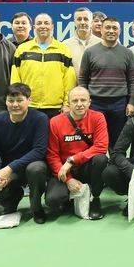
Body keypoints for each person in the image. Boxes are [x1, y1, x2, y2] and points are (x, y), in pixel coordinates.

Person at [0, 83, 50, 223]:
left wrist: (8, 169)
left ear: (29, 100)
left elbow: (39, 151)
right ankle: (12, 200)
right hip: (10, 171)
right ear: (5, 101)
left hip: (33, 166)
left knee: (36, 168)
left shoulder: (40, 118)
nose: (15, 105)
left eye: (20, 100)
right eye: (11, 100)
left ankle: (36, 207)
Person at [45, 87, 109, 220]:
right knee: (53, 200)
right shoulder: (55, 122)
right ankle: (71, 198)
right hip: (64, 170)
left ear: (89, 102)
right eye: (75, 101)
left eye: (83, 100)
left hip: (86, 166)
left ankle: (94, 198)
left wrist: (72, 160)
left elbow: (101, 146)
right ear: (68, 103)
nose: (79, 104)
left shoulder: (98, 117)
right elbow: (52, 155)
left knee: (101, 159)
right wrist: (68, 179)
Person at [79, 16, 134, 148]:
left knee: (117, 142)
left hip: (119, 104)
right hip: (95, 103)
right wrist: (85, 101)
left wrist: (131, 102)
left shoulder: (127, 53)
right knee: (94, 141)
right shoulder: (89, 52)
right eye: (108, 27)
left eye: (114, 28)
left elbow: (132, 80)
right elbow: (82, 79)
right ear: (101, 30)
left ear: (120, 31)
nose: (111, 31)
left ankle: (115, 161)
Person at [10, 13, 77, 118]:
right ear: (34, 27)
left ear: (52, 26)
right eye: (39, 23)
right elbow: (15, 79)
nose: (43, 26)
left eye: (46, 23)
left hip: (56, 108)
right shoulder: (22, 49)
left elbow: (69, 80)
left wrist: (67, 104)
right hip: (28, 106)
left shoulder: (63, 49)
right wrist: (18, 101)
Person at [62, 7, 102, 77]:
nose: (82, 22)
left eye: (86, 19)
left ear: (91, 22)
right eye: (79, 19)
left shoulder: (101, 43)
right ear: (74, 22)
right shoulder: (65, 44)